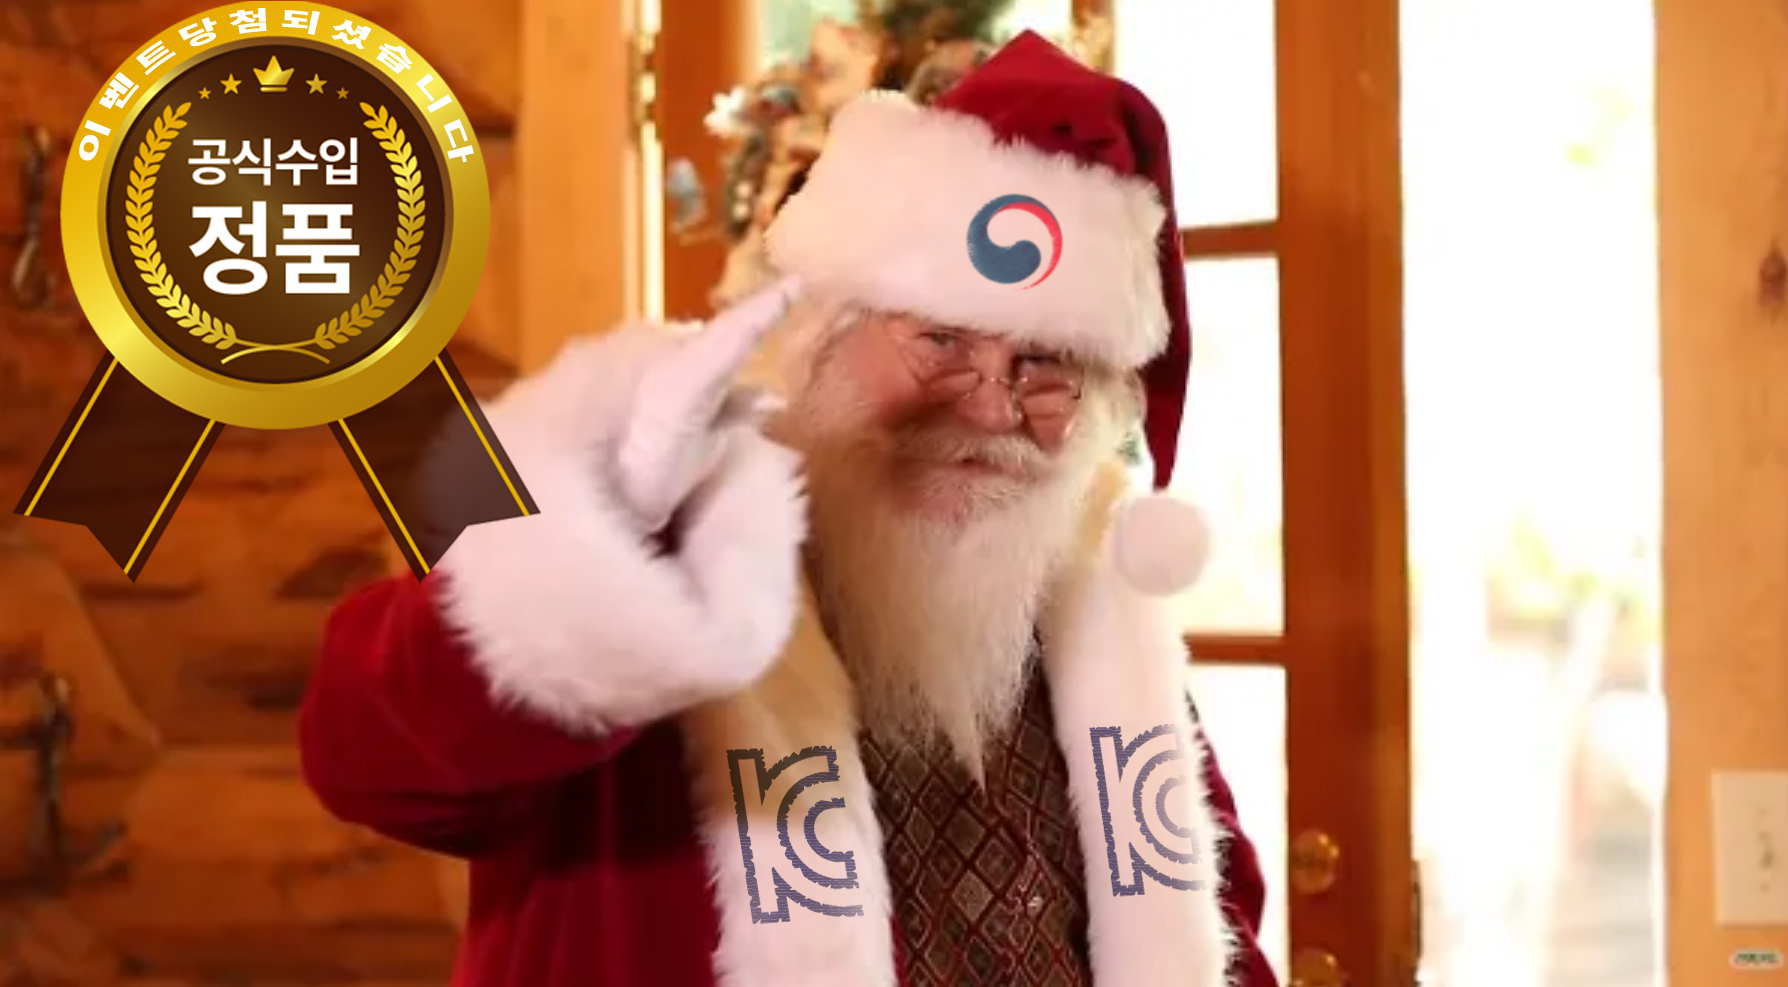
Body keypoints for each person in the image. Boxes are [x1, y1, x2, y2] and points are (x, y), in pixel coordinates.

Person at [299, 30, 1278, 987]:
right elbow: (368, 753)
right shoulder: (664, 555)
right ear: (825, 336)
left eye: (1046, 365)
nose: (990, 410)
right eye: (941, 341)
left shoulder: (1097, 624)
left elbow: (1216, 918)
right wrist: (603, 545)